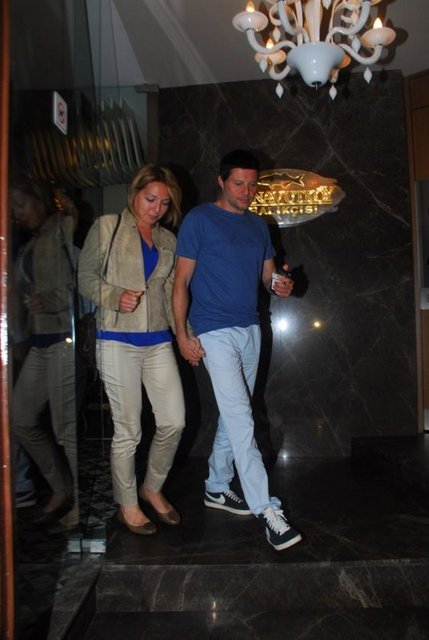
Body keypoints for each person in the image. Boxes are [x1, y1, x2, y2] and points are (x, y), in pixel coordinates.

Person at [172, 149, 302, 551]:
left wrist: (281, 284)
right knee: (242, 419)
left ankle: (216, 485)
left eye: (252, 184)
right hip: (213, 330)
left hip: (251, 328)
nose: (246, 191)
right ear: (221, 181)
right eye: (238, 183)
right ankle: (267, 510)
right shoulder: (199, 220)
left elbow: (268, 278)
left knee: (235, 414)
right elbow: (180, 282)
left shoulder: (259, 225)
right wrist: (182, 334)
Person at [78, 164, 185, 535]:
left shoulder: (168, 240)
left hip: (158, 341)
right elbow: (85, 277)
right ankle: (127, 504)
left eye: (164, 203)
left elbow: (172, 293)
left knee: (174, 421)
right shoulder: (107, 227)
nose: (156, 208)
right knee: (129, 431)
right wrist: (114, 296)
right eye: (150, 199)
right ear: (135, 193)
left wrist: (184, 335)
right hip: (116, 339)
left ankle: (151, 487)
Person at [9, 179, 78, 528]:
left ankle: (80, 500)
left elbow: (81, 281)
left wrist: (64, 203)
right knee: (20, 419)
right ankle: (60, 486)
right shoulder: (28, 245)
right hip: (39, 341)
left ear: (39, 200)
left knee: (65, 429)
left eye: (20, 204)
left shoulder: (64, 228)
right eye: (12, 208)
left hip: (64, 338)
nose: (16, 213)